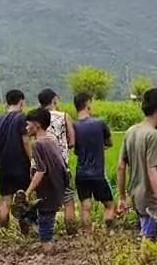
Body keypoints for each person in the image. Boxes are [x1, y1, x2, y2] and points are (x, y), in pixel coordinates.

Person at [117, 87, 157, 241]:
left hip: (135, 194)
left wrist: (122, 197)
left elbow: (121, 166)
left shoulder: (131, 131)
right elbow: (151, 170)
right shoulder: (152, 135)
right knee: (148, 240)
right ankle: (142, 263)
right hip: (150, 197)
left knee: (147, 233)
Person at [22, 108, 68, 252]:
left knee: (45, 224)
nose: (26, 127)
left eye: (28, 124)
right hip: (56, 188)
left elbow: (41, 170)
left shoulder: (37, 144)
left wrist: (28, 192)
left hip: (48, 189)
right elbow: (62, 165)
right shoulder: (51, 140)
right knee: (45, 219)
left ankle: (48, 249)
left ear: (37, 125)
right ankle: (47, 243)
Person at [0, 90, 32, 230]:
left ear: (7, 102)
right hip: (21, 166)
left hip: (4, 166)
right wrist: (32, 161)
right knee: (22, 199)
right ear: (22, 101)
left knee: (5, 199)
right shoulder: (22, 118)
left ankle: (2, 231)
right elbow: (25, 141)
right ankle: (24, 232)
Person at [73, 92, 115, 230]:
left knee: (85, 208)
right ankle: (108, 231)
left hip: (81, 173)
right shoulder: (100, 123)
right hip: (97, 173)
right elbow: (109, 143)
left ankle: (88, 238)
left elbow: (76, 149)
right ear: (87, 104)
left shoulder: (74, 126)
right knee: (109, 205)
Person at [38, 88, 77, 233]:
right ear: (54, 100)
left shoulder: (37, 117)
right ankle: (71, 232)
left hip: (41, 168)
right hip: (61, 166)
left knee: (45, 201)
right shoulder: (64, 116)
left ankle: (46, 233)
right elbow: (72, 142)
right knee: (68, 200)